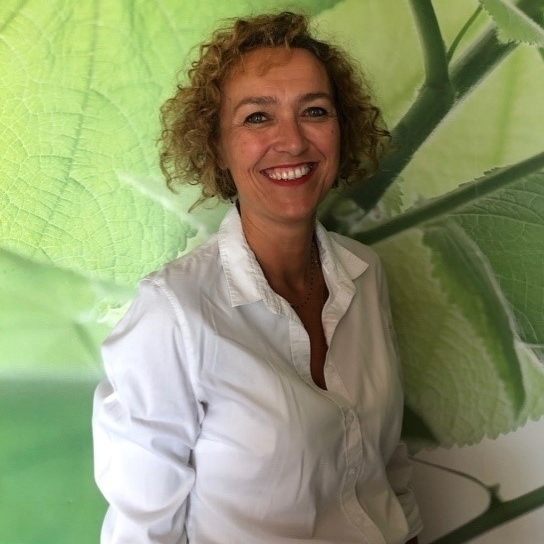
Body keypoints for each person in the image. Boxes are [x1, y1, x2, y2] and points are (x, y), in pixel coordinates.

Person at [92, 11, 422, 544]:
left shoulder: (365, 274)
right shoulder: (174, 313)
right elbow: (142, 531)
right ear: (218, 147)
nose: (292, 141)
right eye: (257, 117)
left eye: (314, 111)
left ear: (342, 130)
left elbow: (385, 468)